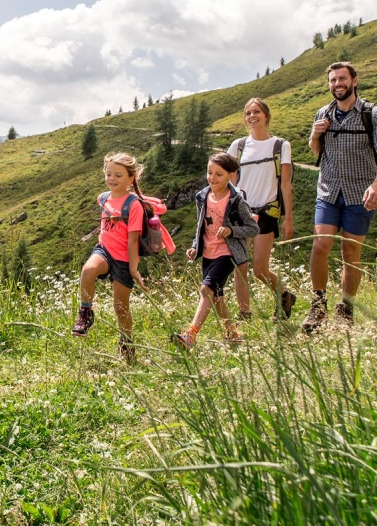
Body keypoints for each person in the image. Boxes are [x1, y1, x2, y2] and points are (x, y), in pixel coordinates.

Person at [302, 61, 377, 333]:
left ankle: (346, 310)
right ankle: (318, 307)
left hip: (360, 193)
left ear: (354, 81)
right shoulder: (323, 112)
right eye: (333, 80)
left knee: (350, 252)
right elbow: (316, 151)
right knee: (320, 246)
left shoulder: (373, 114)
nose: (337, 84)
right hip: (329, 190)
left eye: (342, 79)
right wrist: (314, 135)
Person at [72, 152, 173, 361]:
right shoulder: (103, 198)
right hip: (104, 251)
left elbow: (133, 240)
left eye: (118, 175)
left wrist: (134, 269)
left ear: (131, 179)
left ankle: (126, 344)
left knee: (121, 307)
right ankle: (86, 313)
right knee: (88, 270)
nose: (112, 179)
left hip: (124, 259)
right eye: (109, 174)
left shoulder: (133, 204)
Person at [173, 153, 259, 350]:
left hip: (227, 253)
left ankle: (190, 335)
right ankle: (233, 334)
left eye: (219, 174)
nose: (212, 178)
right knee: (217, 296)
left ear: (231, 175)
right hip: (208, 253)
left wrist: (231, 231)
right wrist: (195, 246)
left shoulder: (236, 200)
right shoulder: (202, 196)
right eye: (210, 172)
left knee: (206, 290)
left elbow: (253, 228)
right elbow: (200, 225)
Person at [227, 98, 297, 321]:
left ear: (266, 116)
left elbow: (286, 183)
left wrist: (288, 218)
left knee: (259, 270)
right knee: (239, 266)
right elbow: (228, 181)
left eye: (256, 112)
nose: (252, 116)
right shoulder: (238, 147)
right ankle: (244, 313)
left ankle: (285, 295)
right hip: (240, 213)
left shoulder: (280, 145)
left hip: (266, 213)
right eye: (248, 113)